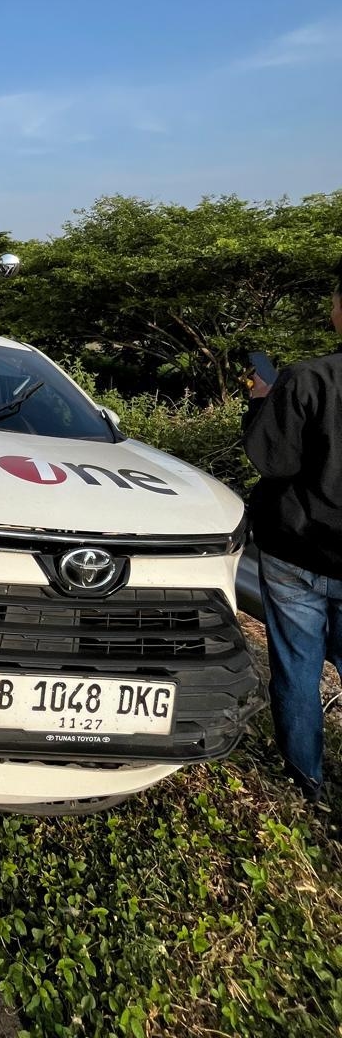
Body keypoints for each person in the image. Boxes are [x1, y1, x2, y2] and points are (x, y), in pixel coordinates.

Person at [243, 275, 342, 807]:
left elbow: (271, 460)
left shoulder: (307, 379)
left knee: (299, 670)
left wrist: (263, 400)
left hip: (296, 552)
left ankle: (307, 785)